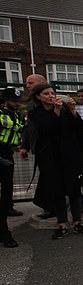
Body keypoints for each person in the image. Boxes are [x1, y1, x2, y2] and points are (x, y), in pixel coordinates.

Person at [28, 83, 83, 239]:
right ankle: (62, 224)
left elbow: (78, 129)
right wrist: (56, 111)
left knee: (74, 190)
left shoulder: (66, 110)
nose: (51, 96)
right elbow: (46, 130)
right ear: (38, 97)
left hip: (70, 155)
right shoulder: (36, 114)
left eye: (52, 93)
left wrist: (73, 111)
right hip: (50, 158)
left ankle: (77, 222)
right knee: (57, 191)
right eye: (46, 94)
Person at [19, 74, 54, 219]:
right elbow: (30, 128)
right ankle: (49, 205)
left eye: (31, 83)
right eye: (27, 83)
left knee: (51, 177)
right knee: (47, 177)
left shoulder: (50, 104)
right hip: (40, 148)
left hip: (51, 148)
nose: (27, 86)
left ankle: (51, 206)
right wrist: (25, 146)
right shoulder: (32, 105)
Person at [0, 87, 25, 247]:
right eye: (14, 101)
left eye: (18, 101)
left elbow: (15, 135)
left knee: (7, 192)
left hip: (7, 155)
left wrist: (18, 148)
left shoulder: (16, 115)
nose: (17, 104)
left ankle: (6, 210)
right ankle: (4, 232)